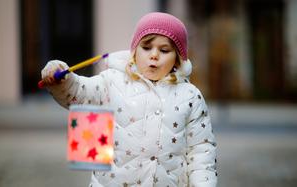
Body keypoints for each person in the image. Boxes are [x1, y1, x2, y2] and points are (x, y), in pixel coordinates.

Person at [41, 12, 217, 187]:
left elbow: (201, 149)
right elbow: (79, 92)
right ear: (134, 51)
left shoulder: (190, 96)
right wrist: (62, 80)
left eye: (164, 50)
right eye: (146, 47)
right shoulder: (112, 81)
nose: (154, 55)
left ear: (177, 60)